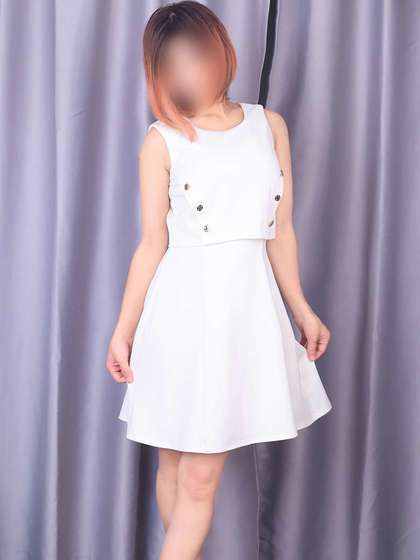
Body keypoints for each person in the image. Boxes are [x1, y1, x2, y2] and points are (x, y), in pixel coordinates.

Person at [106, 1, 333, 558]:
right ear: (160, 72)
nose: (188, 73)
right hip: (180, 315)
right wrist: (122, 331)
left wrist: (302, 310)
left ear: (220, 50)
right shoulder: (162, 140)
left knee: (196, 476)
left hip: (244, 314)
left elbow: (280, 230)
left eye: (196, 56)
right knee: (175, 465)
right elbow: (151, 244)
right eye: (174, 64)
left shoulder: (267, 126)